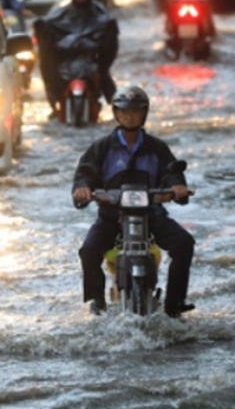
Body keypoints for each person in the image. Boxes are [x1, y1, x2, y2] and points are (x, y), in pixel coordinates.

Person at [71, 86, 195, 318]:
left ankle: (175, 303)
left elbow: (172, 172)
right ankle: (97, 300)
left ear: (144, 114)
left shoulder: (157, 148)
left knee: (184, 243)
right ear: (116, 113)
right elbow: (84, 174)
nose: (129, 116)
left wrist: (177, 186)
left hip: (151, 214)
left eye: (136, 111)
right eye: (124, 111)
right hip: (111, 217)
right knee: (88, 251)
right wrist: (82, 188)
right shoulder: (101, 148)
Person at [34, 0, 118, 112]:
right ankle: (55, 102)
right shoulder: (61, 16)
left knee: (107, 83)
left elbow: (110, 47)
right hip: (66, 64)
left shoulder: (101, 15)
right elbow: (48, 36)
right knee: (51, 76)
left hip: (91, 63)